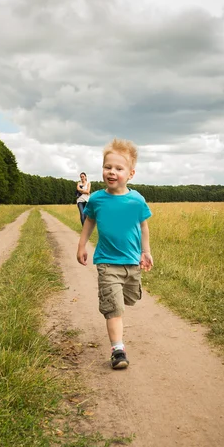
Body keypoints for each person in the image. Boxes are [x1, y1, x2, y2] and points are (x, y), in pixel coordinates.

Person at [76, 137, 153, 370]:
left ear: (130, 173)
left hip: (131, 263)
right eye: (107, 167)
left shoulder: (136, 200)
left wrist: (145, 251)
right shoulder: (97, 198)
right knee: (114, 308)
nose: (112, 172)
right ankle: (118, 350)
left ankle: (123, 299)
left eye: (118, 168)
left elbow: (143, 227)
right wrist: (82, 245)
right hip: (107, 263)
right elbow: (89, 221)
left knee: (130, 299)